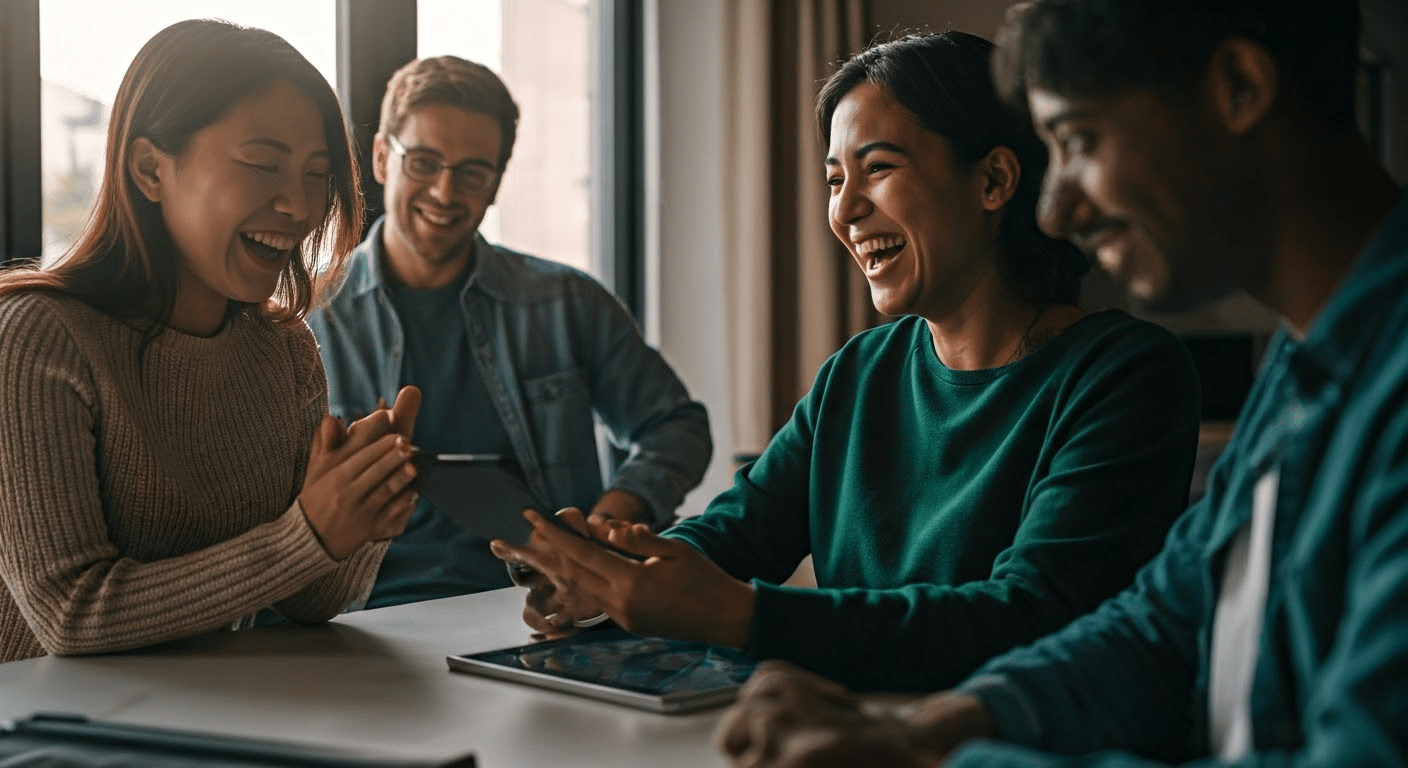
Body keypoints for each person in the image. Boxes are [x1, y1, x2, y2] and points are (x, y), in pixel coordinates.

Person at [716, 1, 1408, 766]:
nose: (1056, 207)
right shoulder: (1303, 368)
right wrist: (925, 732)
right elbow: (1158, 629)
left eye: (1080, 140)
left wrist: (935, 763)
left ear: (1239, 87)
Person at [492, 32, 1202, 692]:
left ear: (993, 181)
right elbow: (739, 532)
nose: (846, 210)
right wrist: (610, 576)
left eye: (878, 169)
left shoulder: (1124, 375)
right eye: (834, 180)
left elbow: (1032, 616)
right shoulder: (860, 372)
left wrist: (745, 617)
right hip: (841, 738)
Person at [0, 19, 422, 664]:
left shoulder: (284, 351)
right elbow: (71, 614)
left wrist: (359, 516)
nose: (300, 205)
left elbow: (307, 599)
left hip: (204, 721)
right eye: (261, 164)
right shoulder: (39, 338)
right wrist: (308, 532)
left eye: (316, 173)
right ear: (149, 169)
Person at [306, 55, 712, 610]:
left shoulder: (567, 303)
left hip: (540, 607)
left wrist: (604, 524)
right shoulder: (305, 322)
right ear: (381, 158)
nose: (446, 193)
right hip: (365, 616)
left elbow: (676, 427)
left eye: (472, 172)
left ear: (496, 183)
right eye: (423, 162)